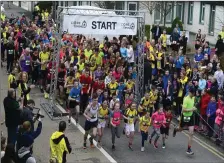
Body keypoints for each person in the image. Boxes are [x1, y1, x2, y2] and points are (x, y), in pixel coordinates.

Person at [173, 88, 196, 155]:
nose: (193, 95)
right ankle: (176, 129)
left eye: (194, 94)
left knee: (191, 133)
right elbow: (184, 110)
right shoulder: (186, 99)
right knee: (180, 129)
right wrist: (192, 109)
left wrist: (193, 108)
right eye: (193, 93)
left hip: (191, 117)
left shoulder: (193, 98)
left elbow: (192, 105)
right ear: (190, 93)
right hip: (185, 116)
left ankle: (189, 149)